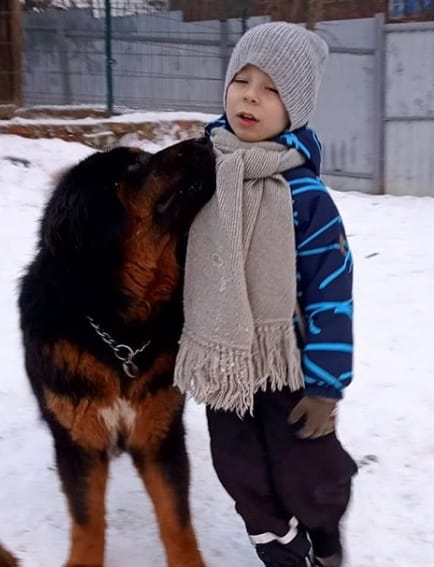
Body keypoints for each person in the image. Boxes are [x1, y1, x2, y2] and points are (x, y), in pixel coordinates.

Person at [174, 21, 357, 567]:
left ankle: (323, 530)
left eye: (271, 89)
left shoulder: (306, 197)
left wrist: (326, 386)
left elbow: (331, 290)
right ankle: (282, 552)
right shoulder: (200, 174)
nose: (250, 96)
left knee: (307, 473)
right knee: (240, 472)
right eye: (242, 81)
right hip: (224, 363)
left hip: (289, 368)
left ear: (294, 109)